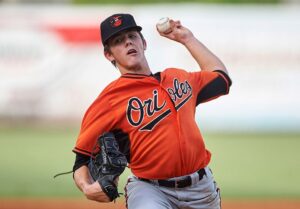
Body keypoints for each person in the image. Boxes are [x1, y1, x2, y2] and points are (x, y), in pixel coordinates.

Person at [72, 13, 231, 209]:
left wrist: (187, 39)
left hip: (201, 188)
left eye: (132, 36)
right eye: (119, 41)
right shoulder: (109, 100)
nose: (128, 42)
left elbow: (221, 79)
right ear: (109, 55)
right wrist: (87, 187)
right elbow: (81, 159)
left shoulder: (178, 78)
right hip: (150, 190)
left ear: (144, 43)